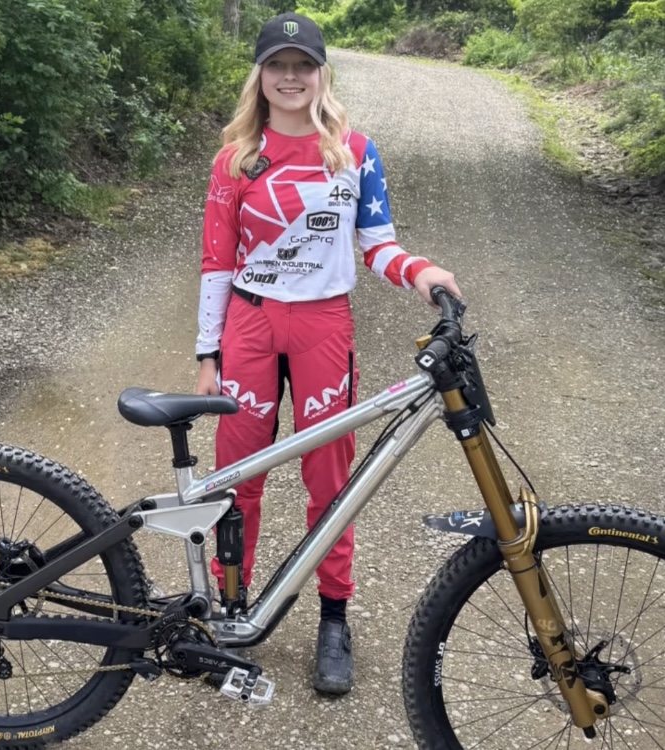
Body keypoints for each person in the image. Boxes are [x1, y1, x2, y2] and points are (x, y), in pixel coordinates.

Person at [194, 11, 461, 695]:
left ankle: (334, 619)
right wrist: (207, 355)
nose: (290, 78)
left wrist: (421, 271)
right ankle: (231, 609)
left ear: (321, 74)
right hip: (250, 327)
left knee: (330, 482)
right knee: (237, 479)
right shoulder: (235, 159)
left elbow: (378, 245)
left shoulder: (354, 151)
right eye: (277, 66)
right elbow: (217, 263)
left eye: (303, 66)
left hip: (323, 327)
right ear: (260, 76)